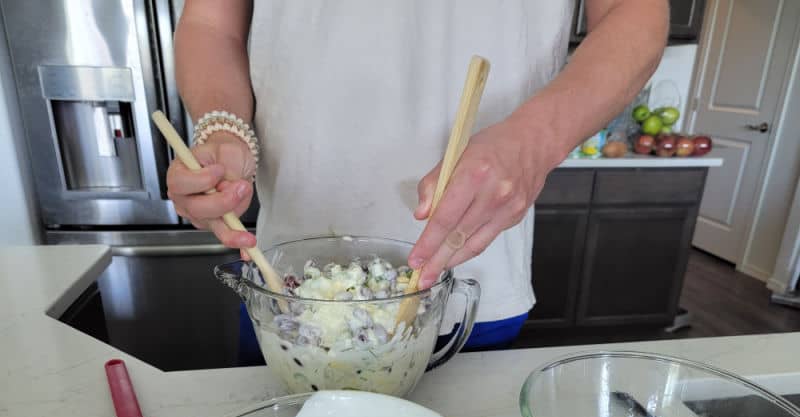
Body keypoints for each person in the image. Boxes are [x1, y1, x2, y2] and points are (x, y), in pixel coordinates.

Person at [167, 0, 669, 351]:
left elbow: (637, 12)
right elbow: (212, 23)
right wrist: (223, 126)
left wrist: (535, 141)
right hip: (288, 293)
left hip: (474, 280)